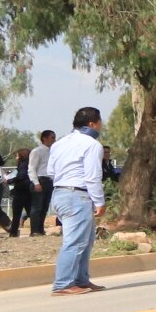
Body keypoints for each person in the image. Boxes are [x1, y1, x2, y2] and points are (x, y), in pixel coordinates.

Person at [45, 107, 107, 293]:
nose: (100, 126)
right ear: (92, 123)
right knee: (74, 242)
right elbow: (92, 176)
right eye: (100, 122)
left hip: (60, 193)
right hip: (77, 195)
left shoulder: (59, 144)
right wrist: (99, 201)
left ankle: (81, 280)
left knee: (85, 240)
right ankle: (63, 284)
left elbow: (51, 171)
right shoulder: (92, 145)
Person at [27, 130, 57, 236]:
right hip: (40, 180)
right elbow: (32, 168)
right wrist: (36, 182)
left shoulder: (53, 151)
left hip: (49, 181)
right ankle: (34, 230)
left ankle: (40, 229)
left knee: (44, 207)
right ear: (44, 138)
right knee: (37, 207)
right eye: (52, 137)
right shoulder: (37, 151)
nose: (54, 140)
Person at [7, 146, 35, 237]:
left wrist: (10, 181)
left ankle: (13, 232)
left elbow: (21, 176)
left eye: (17, 155)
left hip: (20, 191)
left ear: (22, 156)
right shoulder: (31, 164)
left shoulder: (23, 164)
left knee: (16, 213)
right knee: (31, 212)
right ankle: (35, 230)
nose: (16, 157)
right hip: (29, 190)